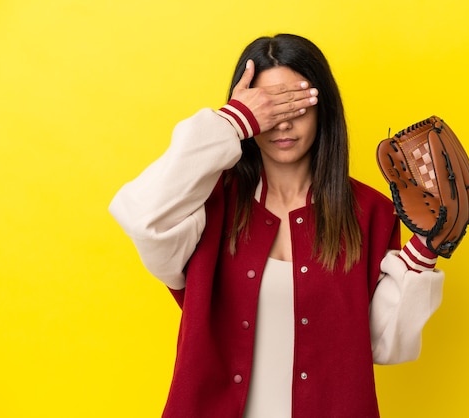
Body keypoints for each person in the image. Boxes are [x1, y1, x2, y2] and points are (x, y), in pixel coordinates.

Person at [109, 33, 444, 418]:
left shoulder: (370, 212)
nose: (282, 124)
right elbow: (142, 219)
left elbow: (384, 345)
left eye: (297, 106)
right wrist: (231, 122)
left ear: (323, 110)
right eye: (268, 108)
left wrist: (424, 250)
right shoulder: (204, 203)